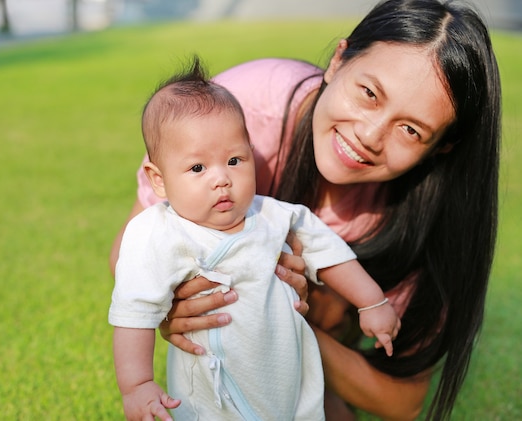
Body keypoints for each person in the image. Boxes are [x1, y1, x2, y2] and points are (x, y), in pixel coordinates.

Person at [109, 0, 501, 419]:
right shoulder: (235, 114)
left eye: (410, 129)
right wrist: (172, 309)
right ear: (338, 61)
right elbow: (134, 266)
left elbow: (401, 400)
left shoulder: (297, 216)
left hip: (289, 378)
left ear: (441, 146)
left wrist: (285, 319)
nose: (369, 135)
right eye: (369, 93)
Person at [109, 58, 401, 421]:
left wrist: (371, 301)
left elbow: (330, 254)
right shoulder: (159, 233)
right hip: (212, 394)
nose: (221, 179)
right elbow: (134, 311)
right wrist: (136, 385)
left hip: (286, 379)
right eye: (198, 168)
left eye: (234, 160)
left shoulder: (274, 216)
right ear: (159, 180)